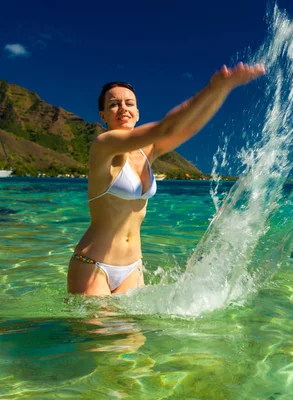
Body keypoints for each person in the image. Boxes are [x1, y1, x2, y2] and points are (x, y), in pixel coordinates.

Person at [67, 62, 266, 296]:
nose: (123, 108)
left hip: (132, 268)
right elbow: (165, 128)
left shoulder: (147, 151)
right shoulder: (104, 147)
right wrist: (211, 89)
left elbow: (186, 128)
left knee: (134, 335)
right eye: (114, 104)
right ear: (103, 115)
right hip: (93, 266)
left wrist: (224, 90)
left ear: (138, 112)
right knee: (102, 334)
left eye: (129, 103)